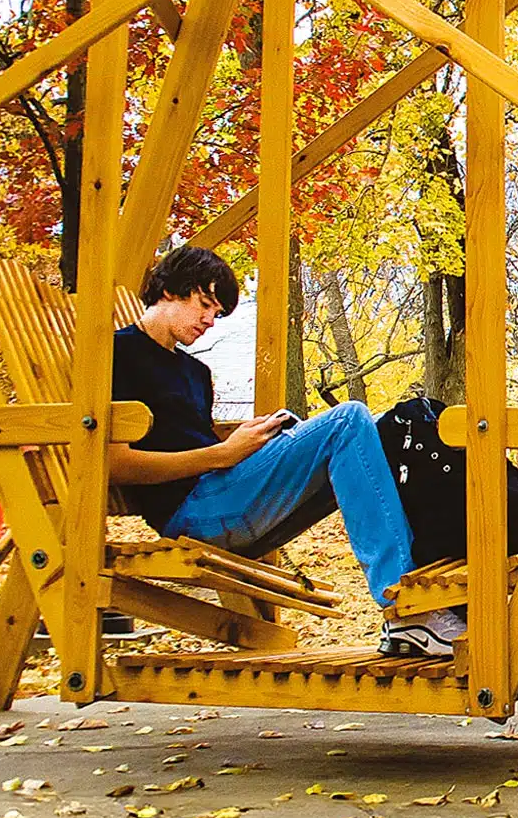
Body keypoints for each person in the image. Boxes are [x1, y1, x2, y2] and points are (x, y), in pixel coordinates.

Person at [108, 246, 466, 657]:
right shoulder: (120, 354)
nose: (209, 320)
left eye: (216, 312)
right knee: (347, 420)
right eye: (204, 304)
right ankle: (406, 607)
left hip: (221, 491)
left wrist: (249, 443)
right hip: (191, 513)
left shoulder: (195, 373)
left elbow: (197, 445)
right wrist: (224, 455)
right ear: (169, 290)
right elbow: (115, 465)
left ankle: (443, 595)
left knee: (380, 436)